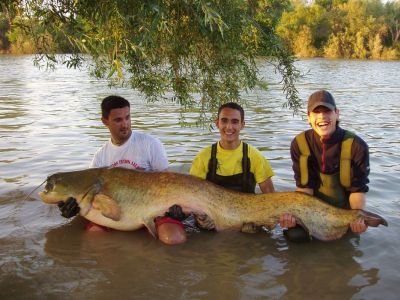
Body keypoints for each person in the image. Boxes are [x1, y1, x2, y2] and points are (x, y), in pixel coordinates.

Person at [57, 95, 187, 245]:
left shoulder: (150, 144)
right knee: (94, 239)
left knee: (174, 238)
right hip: (116, 211)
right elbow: (92, 199)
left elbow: (168, 182)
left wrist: (177, 209)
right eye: (118, 120)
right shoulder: (100, 157)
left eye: (127, 117)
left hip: (153, 207)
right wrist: (72, 210)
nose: (125, 124)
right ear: (105, 121)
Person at [281, 90, 370, 242]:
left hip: (343, 212)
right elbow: (304, 188)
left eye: (327, 111)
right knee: (294, 235)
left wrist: (358, 217)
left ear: (337, 113)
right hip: (311, 211)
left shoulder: (357, 146)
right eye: (316, 112)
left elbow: (357, 190)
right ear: (309, 117)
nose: (322, 116)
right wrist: (293, 216)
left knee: (348, 240)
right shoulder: (299, 143)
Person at [189, 102, 275, 231]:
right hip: (212, 216)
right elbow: (191, 194)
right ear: (217, 123)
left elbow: (271, 197)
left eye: (235, 122)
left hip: (245, 217)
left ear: (242, 125)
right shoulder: (203, 157)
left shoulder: (255, 156)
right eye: (224, 121)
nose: (229, 127)